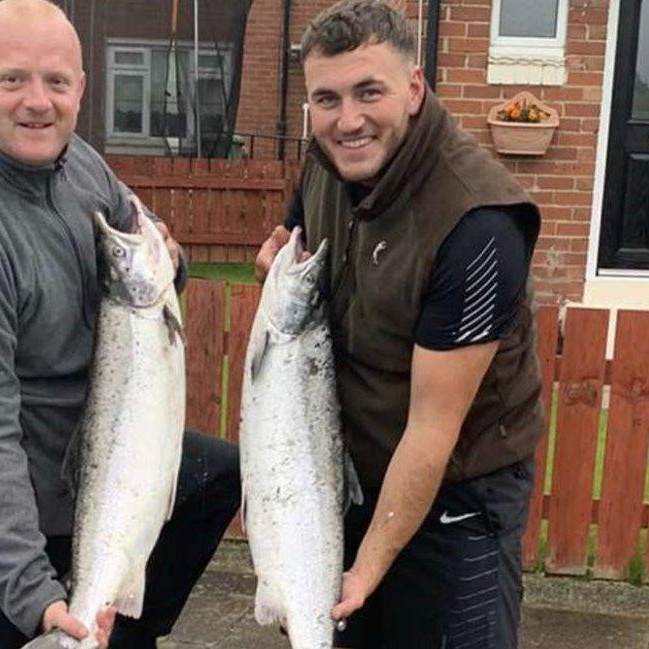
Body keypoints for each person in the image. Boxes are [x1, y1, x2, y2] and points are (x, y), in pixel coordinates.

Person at [0, 1, 239, 648]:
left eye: (57, 81)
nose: (37, 102)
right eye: (13, 79)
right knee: (49, 631)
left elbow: (138, 240)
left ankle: (123, 623)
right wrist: (36, 596)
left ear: (81, 88)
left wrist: (169, 260)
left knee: (215, 476)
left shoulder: (75, 163)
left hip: (94, 458)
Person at [255, 2, 543, 647]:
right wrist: (280, 242)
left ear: (414, 89)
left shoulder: (479, 223)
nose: (347, 120)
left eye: (369, 92)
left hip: (458, 493)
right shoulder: (328, 157)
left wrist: (367, 570)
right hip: (349, 471)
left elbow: (433, 431)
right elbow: (302, 212)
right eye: (326, 99)